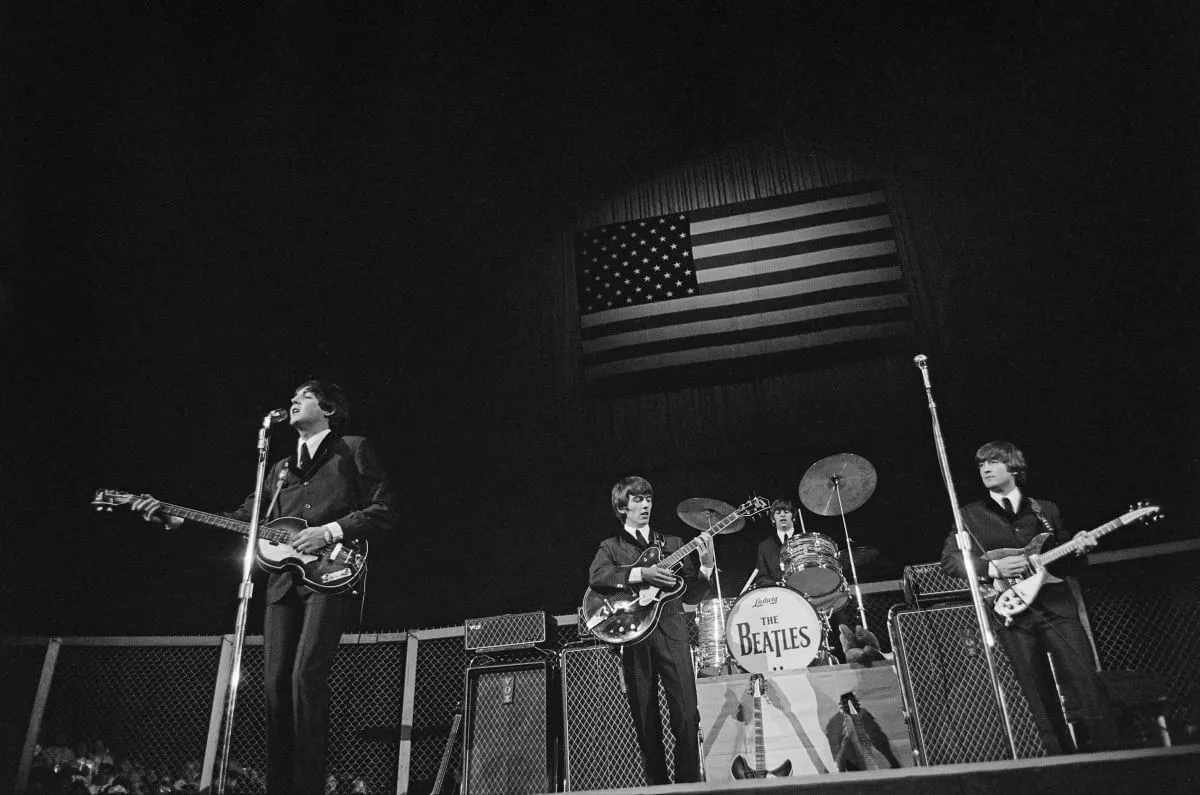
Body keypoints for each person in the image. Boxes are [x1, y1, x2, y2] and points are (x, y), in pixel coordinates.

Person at [134, 380, 397, 794]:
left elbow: (383, 509)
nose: (293, 401)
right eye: (293, 397)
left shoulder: (353, 448)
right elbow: (244, 517)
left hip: (330, 574)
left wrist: (328, 532)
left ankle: (308, 787)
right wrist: (176, 517)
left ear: (328, 409)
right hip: (280, 584)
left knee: (305, 677)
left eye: (305, 396)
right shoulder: (277, 469)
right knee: (275, 683)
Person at [940, 440, 1118, 754]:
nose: (985, 468)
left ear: (1014, 467)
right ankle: (1061, 762)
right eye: (981, 464)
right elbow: (951, 561)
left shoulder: (1044, 509)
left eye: (993, 461)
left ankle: (1111, 755)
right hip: (1011, 613)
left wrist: (1080, 547)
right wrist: (991, 567)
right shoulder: (968, 515)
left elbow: (1066, 561)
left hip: (1055, 605)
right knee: (1036, 693)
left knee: (1085, 680)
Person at [588, 476, 714, 785]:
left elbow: (693, 595)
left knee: (686, 713)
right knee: (645, 720)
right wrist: (641, 573)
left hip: (672, 634)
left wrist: (706, 565)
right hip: (633, 637)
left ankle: (689, 786)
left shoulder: (671, 544)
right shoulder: (611, 547)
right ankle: (657, 787)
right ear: (623, 507)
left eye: (648, 499)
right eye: (637, 500)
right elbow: (598, 578)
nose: (645, 504)